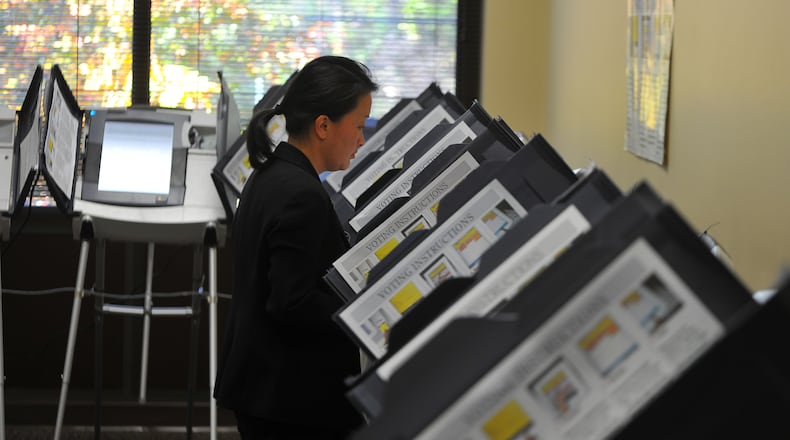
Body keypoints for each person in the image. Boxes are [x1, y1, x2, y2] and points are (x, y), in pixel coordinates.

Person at [214, 55, 378, 439]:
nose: (361, 139)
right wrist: (365, 310)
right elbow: (292, 301)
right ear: (323, 126)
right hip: (289, 400)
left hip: (269, 390)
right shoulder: (300, 193)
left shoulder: (273, 172)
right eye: (357, 126)